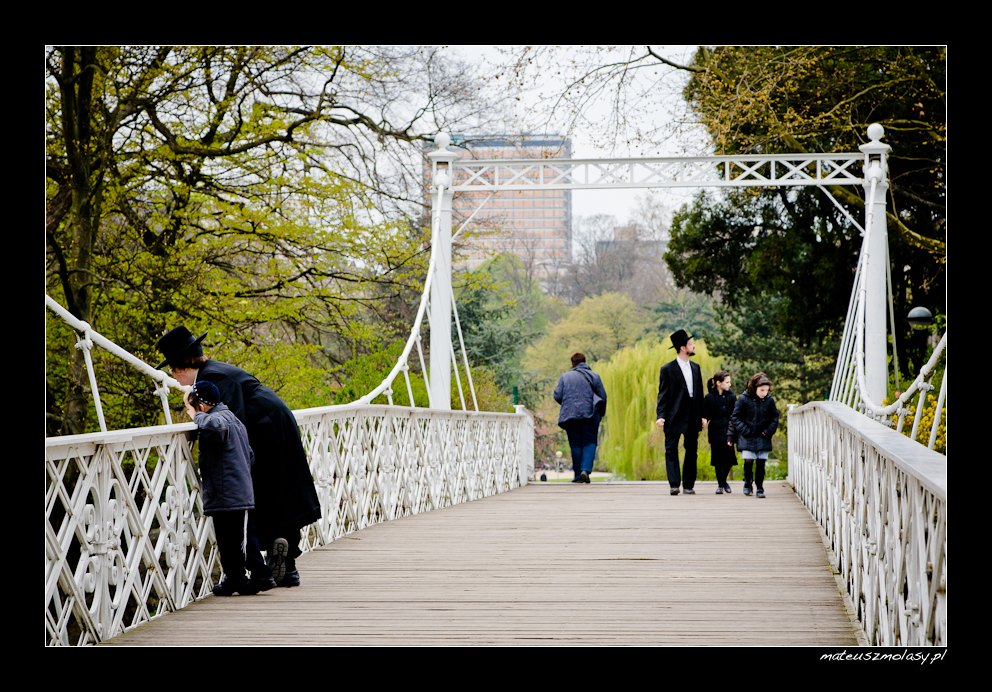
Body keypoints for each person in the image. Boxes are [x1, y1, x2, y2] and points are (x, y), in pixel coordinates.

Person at [157, 326, 321, 587]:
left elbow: (228, 421)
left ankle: (270, 564)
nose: (174, 378)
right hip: (274, 422)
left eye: (173, 371)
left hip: (267, 428)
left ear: (181, 367)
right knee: (278, 492)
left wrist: (198, 420)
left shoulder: (212, 380)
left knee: (257, 493)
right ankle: (286, 565)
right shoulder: (215, 372)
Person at [184, 380, 276, 596]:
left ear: (202, 404)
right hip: (227, 491)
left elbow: (216, 427)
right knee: (228, 540)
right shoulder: (234, 419)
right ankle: (236, 579)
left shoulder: (221, 419)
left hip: (232, 492)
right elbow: (250, 455)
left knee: (243, 540)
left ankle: (261, 574)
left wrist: (195, 415)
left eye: (192, 405)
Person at [655, 329, 704, 495]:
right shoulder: (667, 369)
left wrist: (703, 415)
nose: (693, 346)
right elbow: (663, 394)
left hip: (692, 414)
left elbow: (700, 394)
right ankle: (674, 484)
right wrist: (660, 416)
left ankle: (689, 485)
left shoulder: (696, 368)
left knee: (692, 450)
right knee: (671, 449)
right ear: (683, 348)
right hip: (673, 414)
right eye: (690, 344)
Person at [553, 352, 607, 484]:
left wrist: (568, 404)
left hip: (570, 415)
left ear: (573, 363)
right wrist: (601, 414)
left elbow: (557, 395)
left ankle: (578, 475)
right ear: (585, 361)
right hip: (590, 414)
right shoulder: (594, 376)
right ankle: (585, 470)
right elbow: (603, 396)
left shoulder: (565, 377)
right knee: (590, 442)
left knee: (575, 444)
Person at [727, 372, 780, 498]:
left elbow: (775, 418)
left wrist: (768, 431)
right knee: (748, 461)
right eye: (762, 390)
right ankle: (747, 483)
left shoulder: (769, 400)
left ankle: (760, 488)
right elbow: (735, 417)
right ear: (755, 387)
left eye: (766, 390)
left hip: (763, 436)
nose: (764, 393)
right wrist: (745, 430)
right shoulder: (743, 399)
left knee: (761, 463)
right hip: (747, 436)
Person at [702, 370, 738, 494]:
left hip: (729, 430)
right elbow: (705, 413)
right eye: (727, 382)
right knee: (718, 459)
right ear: (718, 383)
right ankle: (720, 485)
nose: (729, 384)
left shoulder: (732, 397)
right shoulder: (709, 397)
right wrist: (704, 420)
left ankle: (723, 482)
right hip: (715, 431)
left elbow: (735, 414)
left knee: (729, 459)